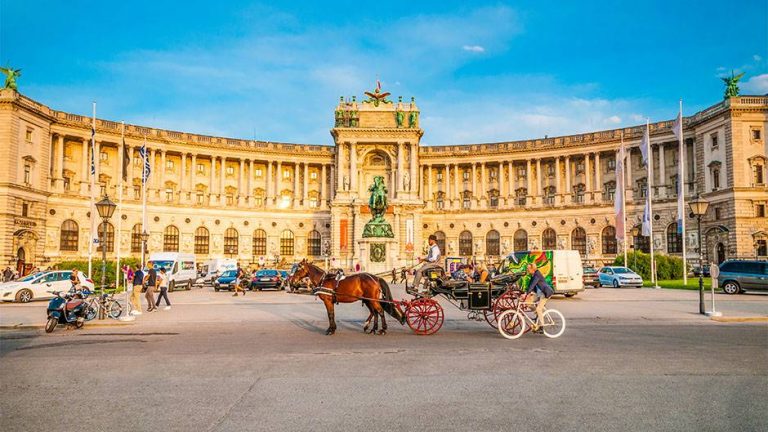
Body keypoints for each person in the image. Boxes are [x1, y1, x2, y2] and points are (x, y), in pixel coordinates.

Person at [524, 263, 554, 331]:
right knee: (527, 301)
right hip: (539, 294)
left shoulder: (537, 274)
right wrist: (526, 293)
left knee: (539, 309)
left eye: (528, 268)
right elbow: (530, 285)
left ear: (532, 268)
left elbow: (533, 284)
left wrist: (527, 293)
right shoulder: (533, 275)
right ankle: (536, 312)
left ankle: (542, 327)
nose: (527, 270)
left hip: (545, 293)